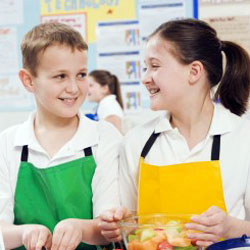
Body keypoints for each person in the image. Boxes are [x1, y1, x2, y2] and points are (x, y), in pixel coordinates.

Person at [99, 18, 250, 247]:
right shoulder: (136, 143)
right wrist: (116, 224)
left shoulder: (243, 137)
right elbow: (129, 224)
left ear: (194, 71)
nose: (145, 78)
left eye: (155, 66)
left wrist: (232, 228)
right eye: (145, 67)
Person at [0, 22, 122, 250]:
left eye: (81, 75)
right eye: (60, 76)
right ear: (28, 80)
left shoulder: (105, 137)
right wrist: (24, 232)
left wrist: (80, 228)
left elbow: (108, 228)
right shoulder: (7, 144)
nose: (74, 88)